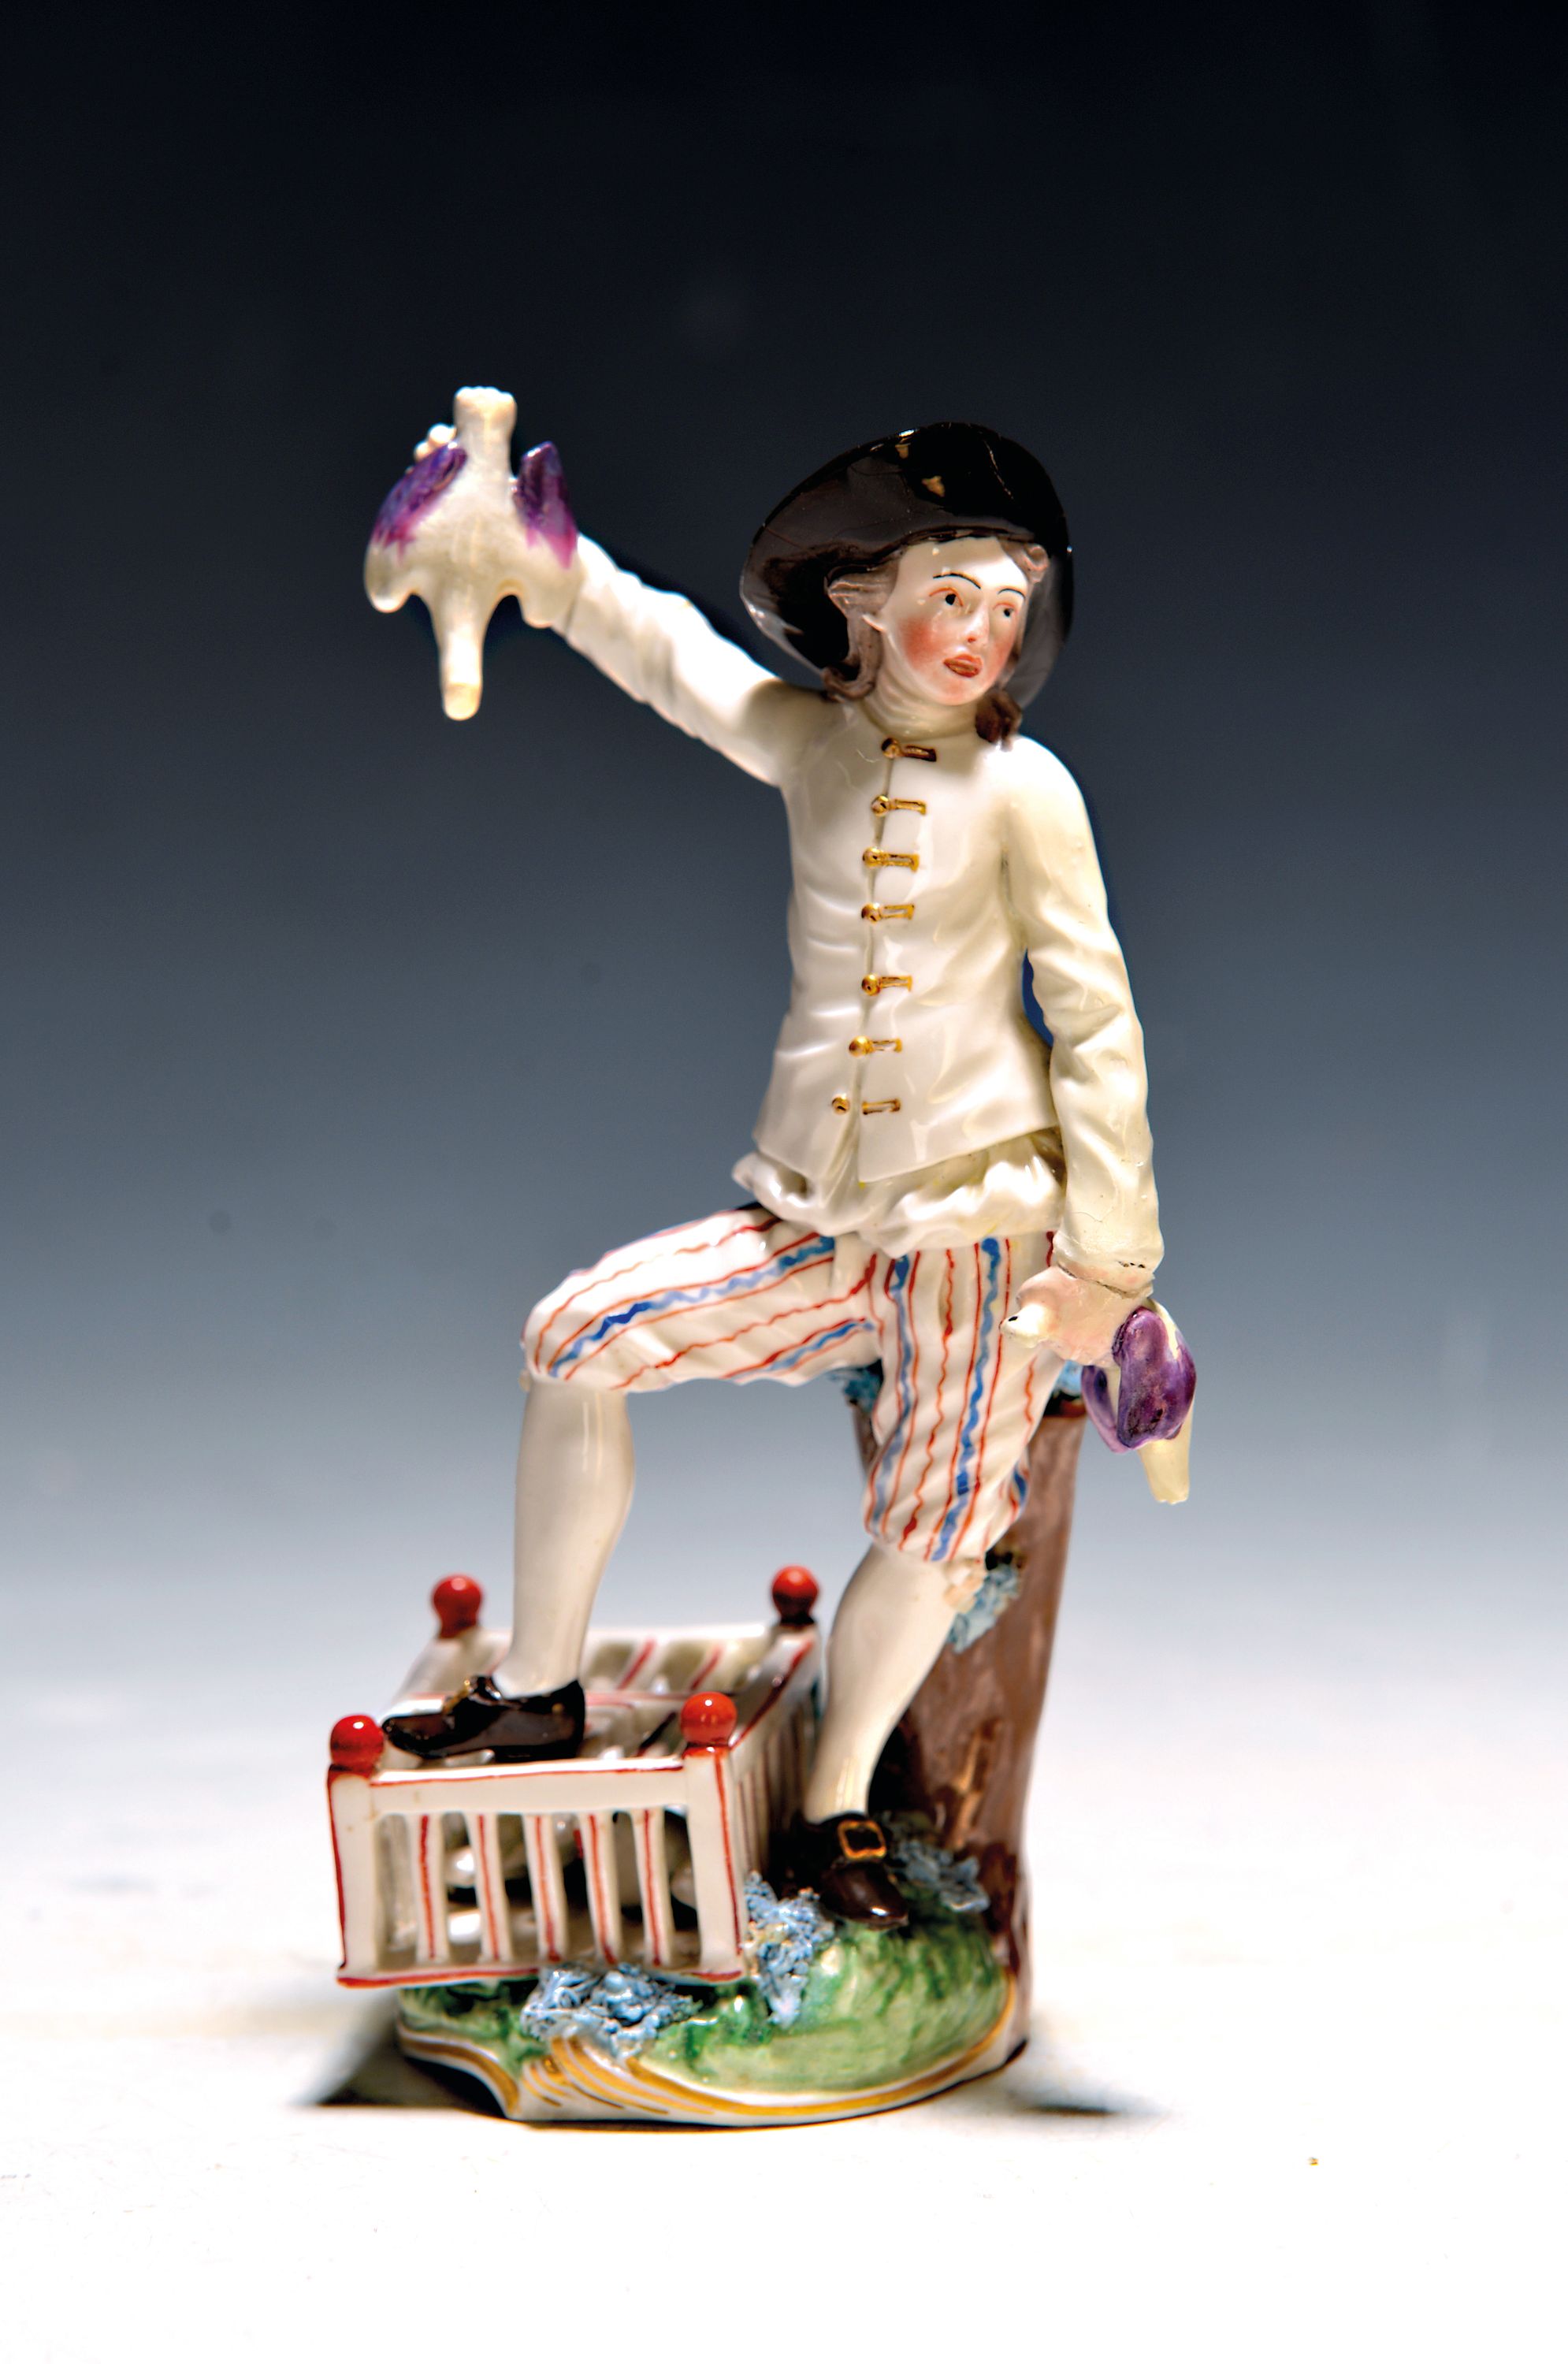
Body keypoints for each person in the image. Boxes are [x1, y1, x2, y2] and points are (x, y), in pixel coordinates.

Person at [381, 417, 1165, 1924]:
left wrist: (1112, 1262)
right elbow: (671, 658)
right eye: (950, 597)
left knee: (931, 1537)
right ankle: (537, 1688)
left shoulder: (1028, 793)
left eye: (1005, 608)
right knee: (578, 1334)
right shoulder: (814, 748)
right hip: (815, 1221)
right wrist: (548, 571)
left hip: (982, 1242)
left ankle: (831, 1810)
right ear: (864, 603)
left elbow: (1096, 1024)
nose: (978, 634)